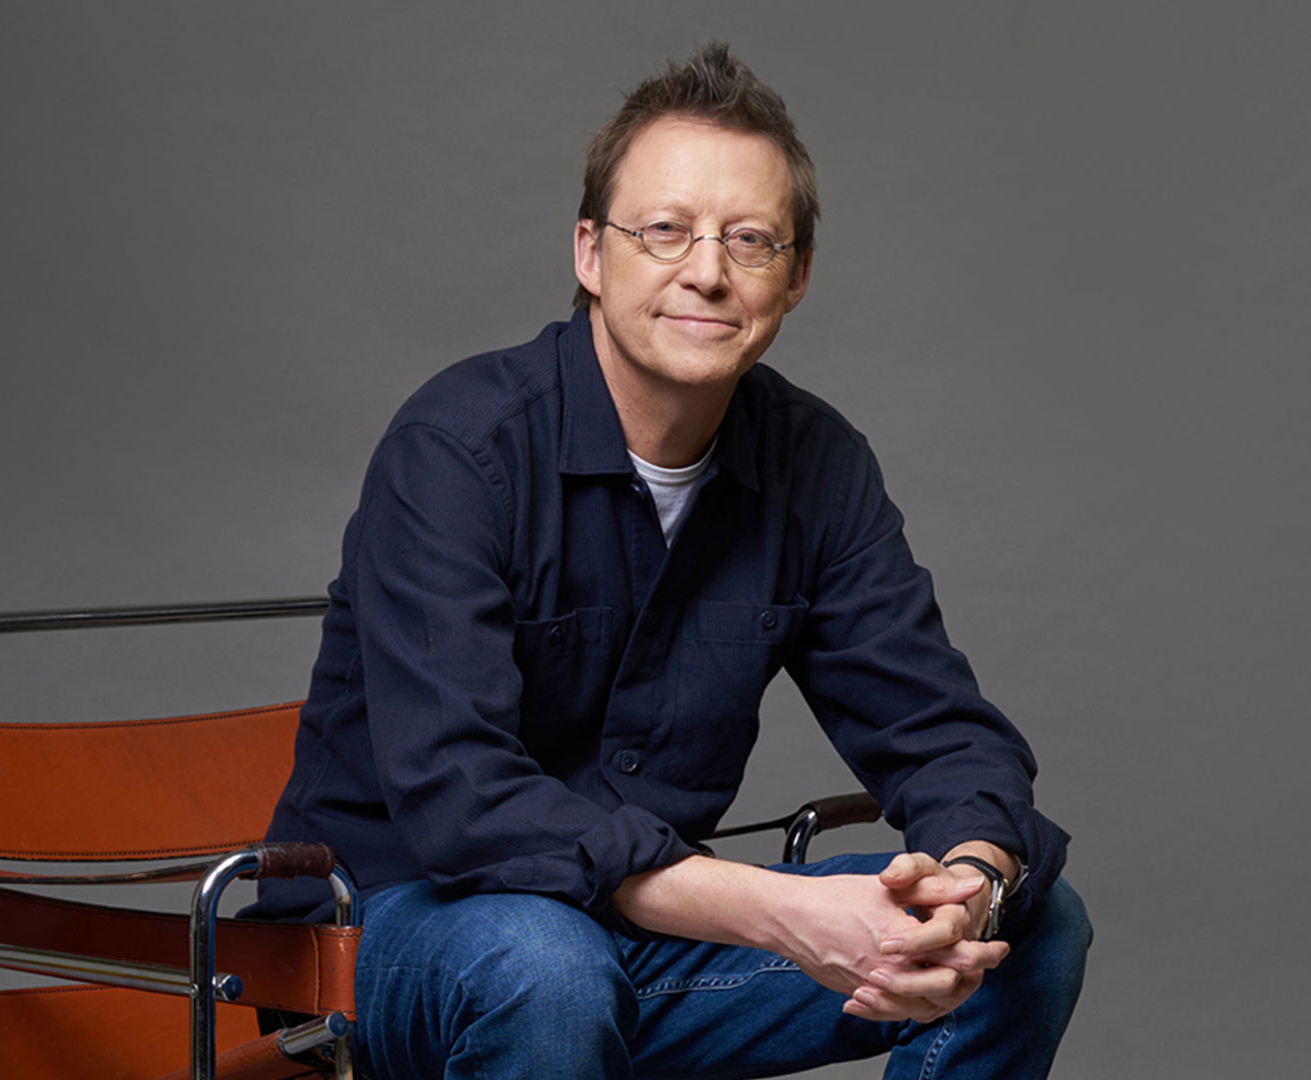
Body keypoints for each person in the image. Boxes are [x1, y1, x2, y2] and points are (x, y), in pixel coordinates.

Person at [247, 42, 1091, 1079]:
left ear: (798, 277)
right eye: (666, 231)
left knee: (1026, 937)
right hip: (380, 937)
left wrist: (968, 890)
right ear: (591, 255)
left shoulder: (815, 466)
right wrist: (783, 912)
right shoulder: (459, 450)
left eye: (752, 240)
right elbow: (464, 801)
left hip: (633, 936)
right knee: (544, 966)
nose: (707, 270)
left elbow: (944, 736)